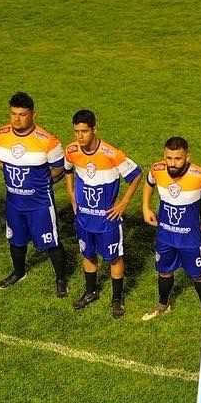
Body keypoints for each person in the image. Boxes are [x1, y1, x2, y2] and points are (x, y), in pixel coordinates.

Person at [141, 136, 201, 334]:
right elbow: (148, 183)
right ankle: (163, 305)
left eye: (177, 158)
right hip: (165, 235)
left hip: (190, 238)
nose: (172, 163)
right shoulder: (158, 169)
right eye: (168, 158)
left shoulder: (199, 175)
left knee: (197, 275)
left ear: (187, 157)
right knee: (164, 271)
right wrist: (145, 207)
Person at [62, 109, 140, 316]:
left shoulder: (112, 154)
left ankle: (117, 298)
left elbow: (136, 175)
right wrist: (70, 193)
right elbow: (67, 170)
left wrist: (123, 203)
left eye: (84, 131)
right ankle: (91, 291)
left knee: (114, 257)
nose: (80, 136)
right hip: (84, 218)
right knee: (87, 254)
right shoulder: (71, 150)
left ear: (94, 129)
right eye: (76, 131)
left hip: (107, 220)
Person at [0, 92, 67, 296]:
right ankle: (18, 272)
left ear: (34, 114)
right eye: (13, 114)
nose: (17, 119)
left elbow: (59, 169)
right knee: (15, 239)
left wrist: (40, 184)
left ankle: (61, 279)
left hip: (40, 203)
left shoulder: (48, 142)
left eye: (22, 114)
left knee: (51, 241)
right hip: (14, 202)